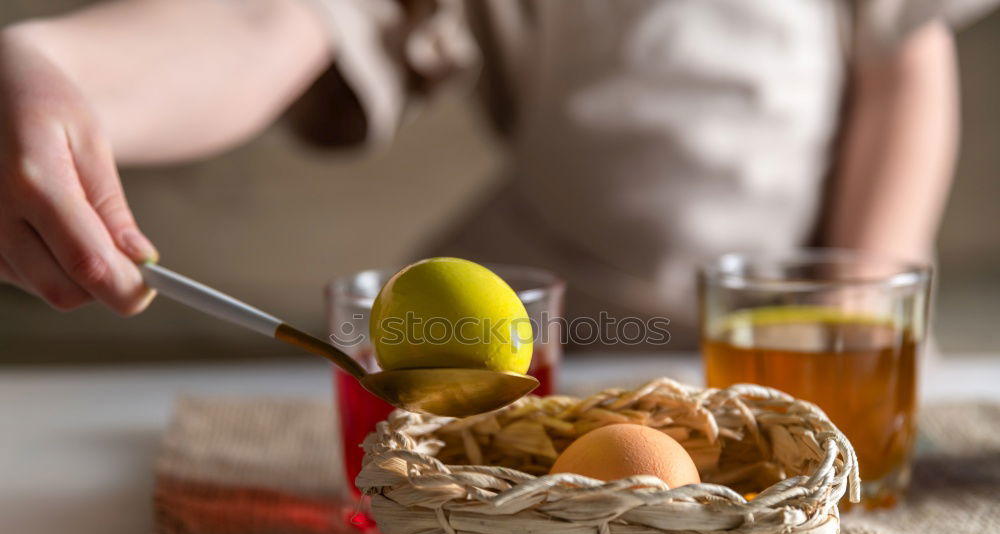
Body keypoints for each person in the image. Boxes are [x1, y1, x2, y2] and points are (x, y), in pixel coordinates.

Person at [0, 0, 993, 345]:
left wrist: (858, 318)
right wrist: (60, 69)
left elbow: (900, 66)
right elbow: (271, 22)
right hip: (547, 340)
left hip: (785, 343)